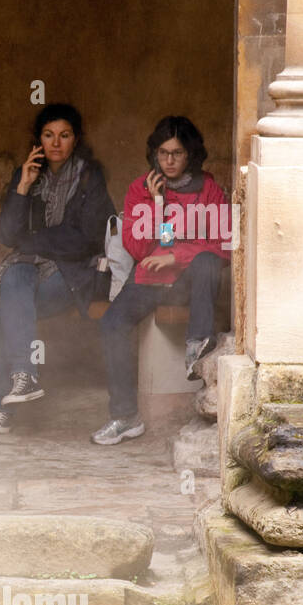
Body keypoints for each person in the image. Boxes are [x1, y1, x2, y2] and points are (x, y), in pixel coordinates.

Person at [0, 103, 114, 434]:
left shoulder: (89, 178)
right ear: (38, 140)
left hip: (74, 273)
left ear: (75, 139)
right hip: (28, 272)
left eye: (64, 136)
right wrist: (22, 187)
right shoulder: (26, 175)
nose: (56, 143)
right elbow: (7, 235)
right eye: (48, 135)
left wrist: (33, 242)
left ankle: (0, 407)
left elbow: (88, 239)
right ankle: (24, 376)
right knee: (16, 281)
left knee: (13, 302)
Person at [92, 116, 230, 445]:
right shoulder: (141, 188)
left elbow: (223, 244)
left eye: (177, 153)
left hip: (191, 282)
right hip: (150, 280)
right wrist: (157, 204)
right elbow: (139, 248)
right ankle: (125, 417)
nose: (168, 161)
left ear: (191, 155)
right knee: (112, 324)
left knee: (207, 261)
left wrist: (175, 256)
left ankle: (198, 346)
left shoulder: (208, 189)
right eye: (162, 152)